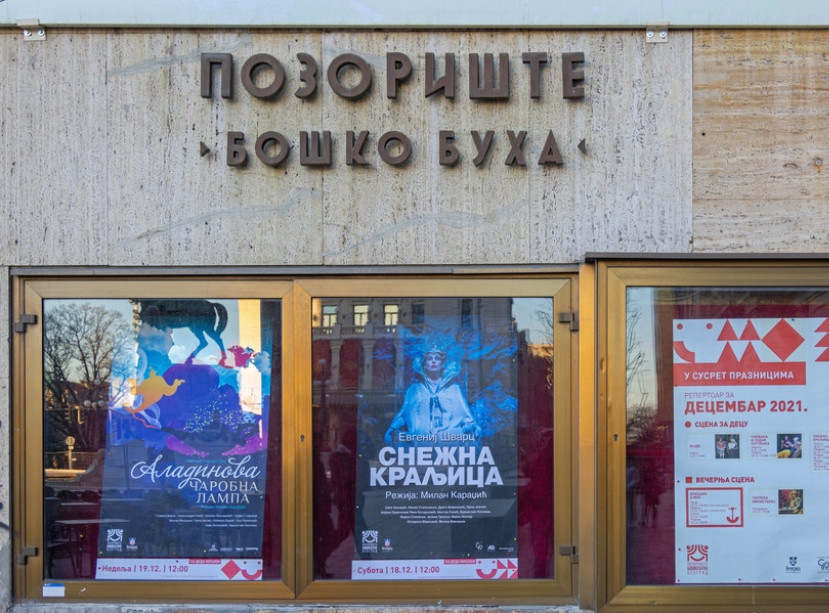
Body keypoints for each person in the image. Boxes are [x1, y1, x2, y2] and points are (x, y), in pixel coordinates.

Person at [384, 343, 480, 445]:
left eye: (437, 358)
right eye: (429, 358)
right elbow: (403, 415)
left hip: (448, 446)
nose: (433, 361)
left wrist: (470, 429)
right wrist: (393, 430)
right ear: (424, 365)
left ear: (442, 364)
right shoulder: (414, 390)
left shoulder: (454, 389)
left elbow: (468, 419)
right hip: (420, 446)